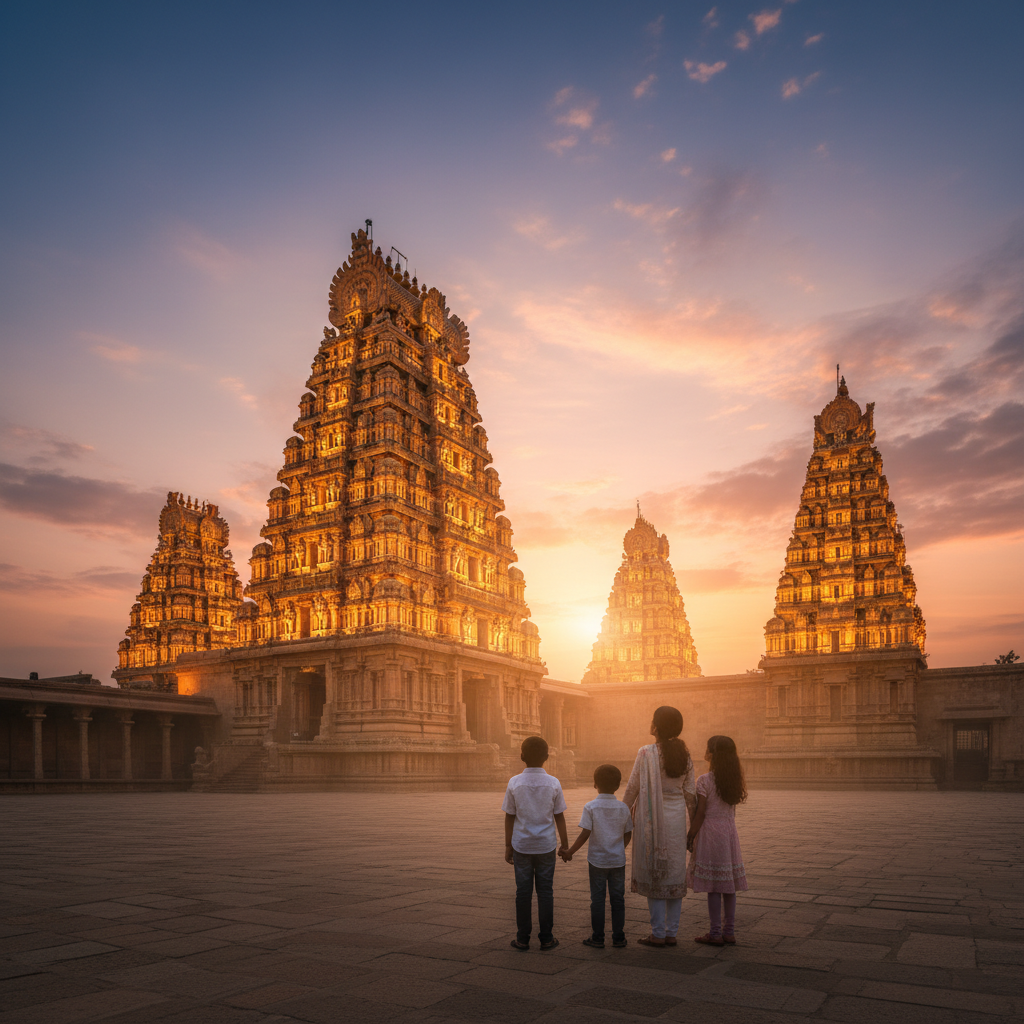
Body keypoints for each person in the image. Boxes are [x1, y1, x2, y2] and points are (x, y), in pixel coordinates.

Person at [622, 705, 696, 947]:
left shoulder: (646, 753)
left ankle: (657, 933)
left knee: (655, 873)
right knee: (674, 874)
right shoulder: (685, 755)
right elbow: (689, 794)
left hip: (650, 820)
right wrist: (693, 828)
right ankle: (671, 932)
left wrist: (621, 815)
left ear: (657, 726)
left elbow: (633, 788)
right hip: (675, 821)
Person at [502, 735, 569, 951]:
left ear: (521, 756)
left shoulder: (514, 782)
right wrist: (565, 844)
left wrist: (507, 845)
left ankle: (522, 938)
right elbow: (559, 816)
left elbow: (509, 816)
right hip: (546, 846)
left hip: (521, 845)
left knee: (522, 892)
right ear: (547, 757)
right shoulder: (554, 782)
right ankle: (547, 938)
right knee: (545, 891)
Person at [561, 763, 634, 948]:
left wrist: (570, 852)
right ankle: (618, 937)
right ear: (618, 785)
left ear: (595, 784)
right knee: (618, 899)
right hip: (617, 861)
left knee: (598, 900)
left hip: (597, 861)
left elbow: (585, 834)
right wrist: (619, 848)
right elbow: (628, 834)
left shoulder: (591, 807)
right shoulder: (623, 808)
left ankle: (598, 937)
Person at [686, 735, 749, 946]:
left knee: (713, 886)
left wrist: (691, 834)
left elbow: (701, 812)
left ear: (712, 754)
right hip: (729, 832)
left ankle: (714, 933)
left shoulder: (704, 780)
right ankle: (729, 931)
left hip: (710, 833)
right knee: (728, 886)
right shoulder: (733, 780)